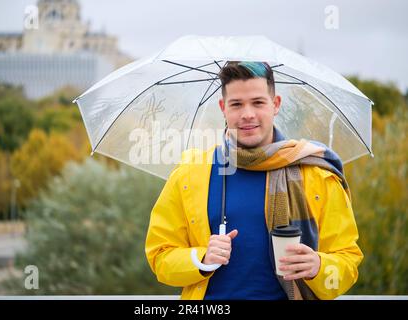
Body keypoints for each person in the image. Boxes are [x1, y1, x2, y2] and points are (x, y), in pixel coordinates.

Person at [145, 61, 363, 300]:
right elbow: (160, 256)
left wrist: (319, 267)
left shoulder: (317, 174)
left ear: (275, 104)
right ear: (223, 108)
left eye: (258, 102)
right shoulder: (189, 173)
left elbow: (348, 262)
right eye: (236, 104)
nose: (248, 114)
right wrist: (201, 258)